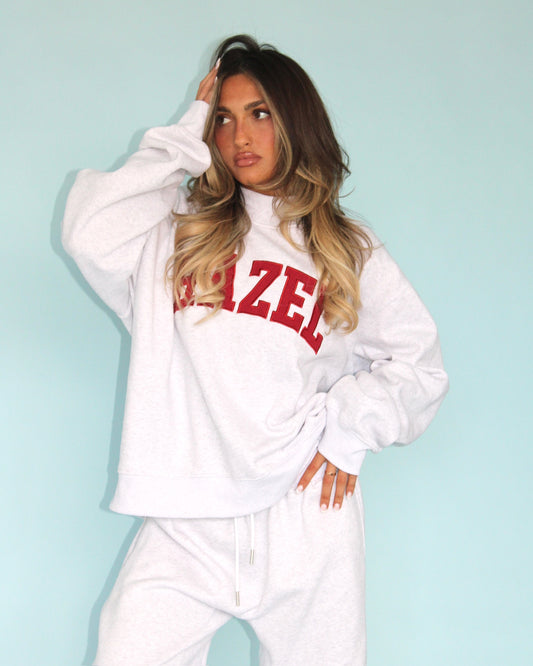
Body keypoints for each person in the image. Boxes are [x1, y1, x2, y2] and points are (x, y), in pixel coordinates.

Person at [62, 34, 448, 666]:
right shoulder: (174, 233)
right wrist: (184, 135)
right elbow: (87, 229)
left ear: (294, 120)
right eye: (223, 118)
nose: (239, 136)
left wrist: (348, 431)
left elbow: (420, 366)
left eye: (260, 113)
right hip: (187, 519)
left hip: (306, 512)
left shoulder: (346, 249)